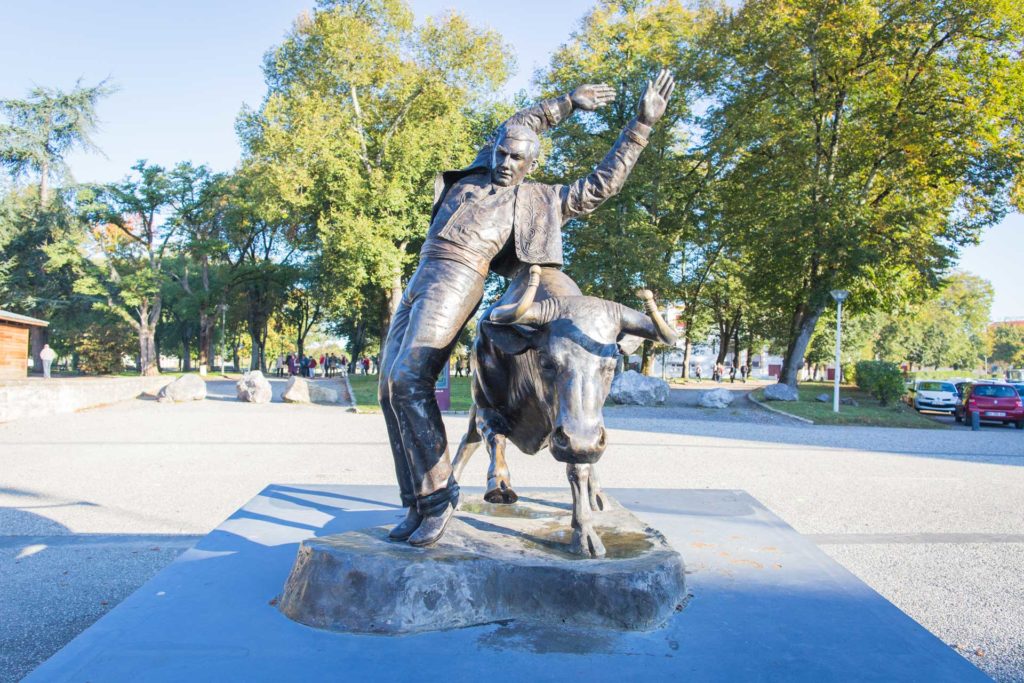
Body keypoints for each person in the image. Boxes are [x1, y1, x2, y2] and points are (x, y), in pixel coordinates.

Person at [377, 71, 675, 547]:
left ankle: (438, 499)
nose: (504, 162)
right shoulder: (479, 170)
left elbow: (603, 184)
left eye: (516, 157)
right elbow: (521, 121)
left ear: (531, 164)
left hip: (459, 277)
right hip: (420, 277)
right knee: (388, 388)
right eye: (501, 151)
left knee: (410, 381)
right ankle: (415, 500)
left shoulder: (539, 200)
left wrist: (640, 126)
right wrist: (568, 103)